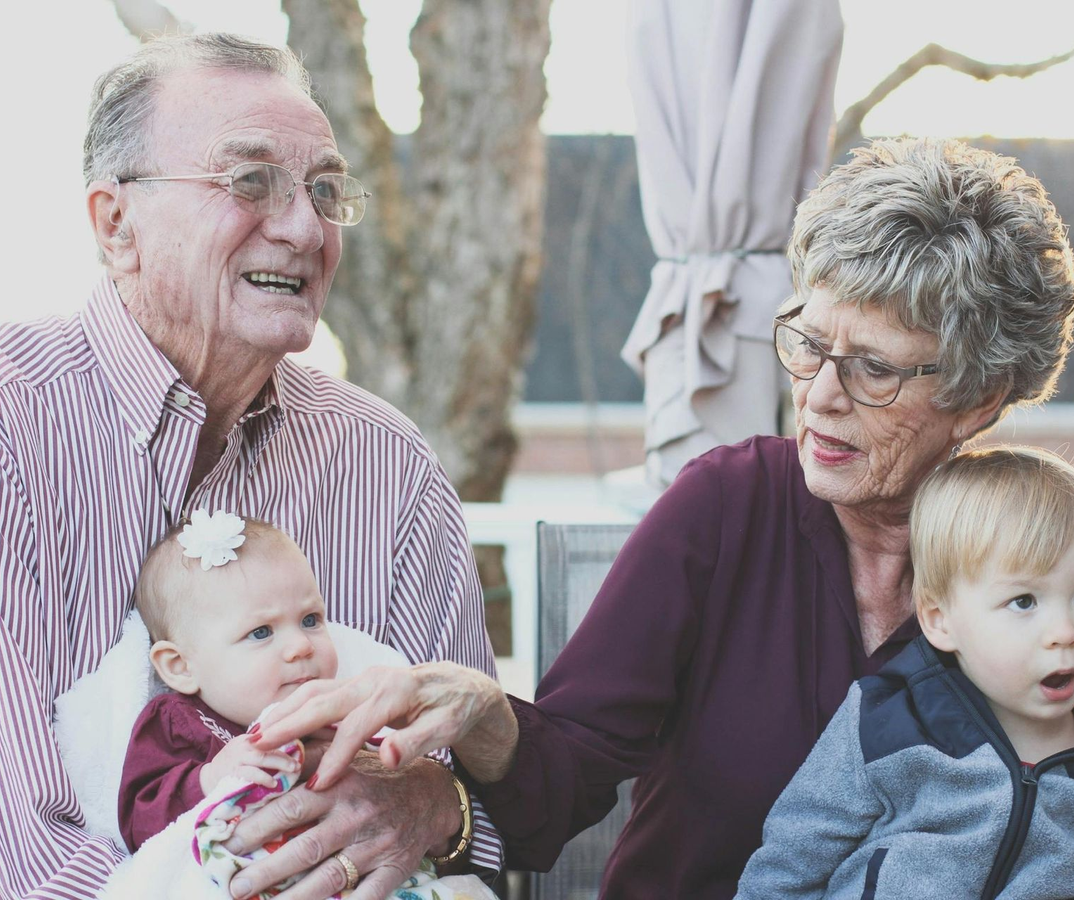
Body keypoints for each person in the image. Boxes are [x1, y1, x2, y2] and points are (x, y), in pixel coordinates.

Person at [249, 137, 1074, 899]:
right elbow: (558, 788)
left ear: (977, 399)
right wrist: (486, 709)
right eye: (809, 345)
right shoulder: (727, 507)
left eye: (876, 370)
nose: (821, 394)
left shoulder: (1043, 569)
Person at [0, 33, 500, 900]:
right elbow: (20, 850)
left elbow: (484, 812)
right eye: (249, 181)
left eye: (326, 192)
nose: (306, 227)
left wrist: (434, 801)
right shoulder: (13, 427)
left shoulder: (388, 464)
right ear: (117, 226)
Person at [734, 446, 1074, 899]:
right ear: (939, 619)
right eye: (1024, 602)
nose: (1064, 632)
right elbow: (794, 857)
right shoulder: (890, 721)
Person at [118, 513, 340, 852]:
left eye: (311, 620)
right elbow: (138, 821)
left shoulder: (338, 710)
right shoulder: (180, 723)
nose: (302, 646)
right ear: (181, 667)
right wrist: (209, 779)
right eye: (261, 632)